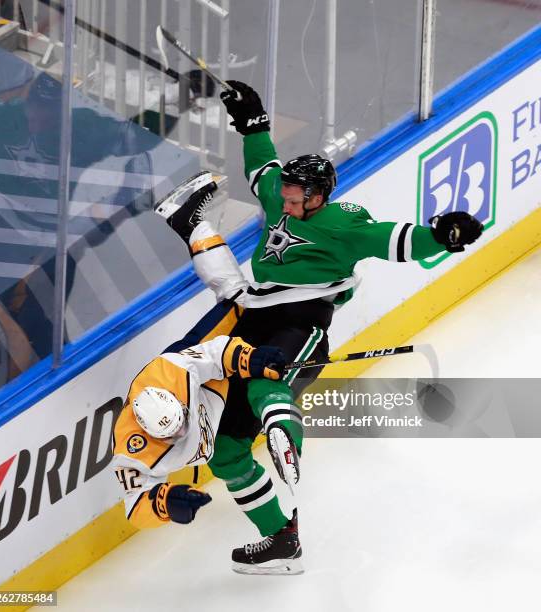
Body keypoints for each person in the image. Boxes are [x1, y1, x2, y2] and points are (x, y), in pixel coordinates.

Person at [156, 80, 484, 571]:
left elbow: (398, 240)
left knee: (270, 388)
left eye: (294, 197)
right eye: (284, 194)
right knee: (225, 452)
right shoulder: (280, 195)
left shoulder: (343, 225)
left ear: (319, 195)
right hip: (252, 321)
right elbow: (261, 167)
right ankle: (281, 540)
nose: (283, 203)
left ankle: (286, 435)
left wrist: (442, 234)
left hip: (302, 322)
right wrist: (254, 122)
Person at [113, 195, 303, 575]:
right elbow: (136, 507)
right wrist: (166, 503)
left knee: (243, 302)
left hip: (207, 367)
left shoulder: (172, 373)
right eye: (173, 434)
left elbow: (217, 354)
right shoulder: (133, 448)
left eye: (182, 421)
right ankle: (281, 536)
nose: (182, 431)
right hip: (214, 400)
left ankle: (189, 222)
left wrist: (252, 359)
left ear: (178, 403)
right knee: (227, 458)